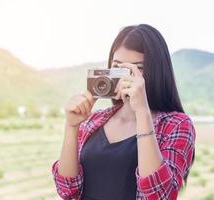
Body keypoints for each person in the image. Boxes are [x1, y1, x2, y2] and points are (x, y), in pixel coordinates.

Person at [51, 24, 196, 200]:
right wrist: (72, 126)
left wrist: (142, 111)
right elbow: (67, 190)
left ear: (156, 70)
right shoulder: (94, 120)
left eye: (138, 68)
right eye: (118, 66)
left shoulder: (177, 125)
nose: (125, 76)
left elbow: (159, 195)